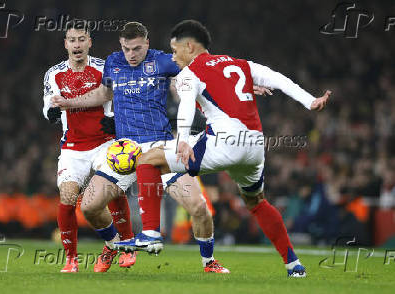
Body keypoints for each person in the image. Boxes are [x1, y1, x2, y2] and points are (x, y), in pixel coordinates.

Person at [51, 22, 275, 273]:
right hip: (126, 151)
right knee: (89, 206)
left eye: (137, 48)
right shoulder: (114, 62)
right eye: (126, 49)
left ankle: (208, 262)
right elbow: (103, 94)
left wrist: (229, 90)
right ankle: (115, 245)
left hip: (160, 148)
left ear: (147, 43)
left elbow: (199, 75)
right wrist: (69, 102)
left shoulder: (162, 61)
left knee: (199, 208)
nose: (131, 55)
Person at [123, 20, 332, 277]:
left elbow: (186, 105)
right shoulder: (241, 64)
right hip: (254, 146)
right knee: (256, 202)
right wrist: (310, 101)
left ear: (190, 46)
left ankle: (151, 234)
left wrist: (184, 140)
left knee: (147, 161)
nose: (174, 58)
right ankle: (294, 265)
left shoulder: (191, 72)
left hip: (223, 141)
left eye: (175, 51)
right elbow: (278, 79)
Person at [43, 22, 136, 273]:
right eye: (72, 40)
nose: (77, 45)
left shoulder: (104, 67)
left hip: (104, 143)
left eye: (81, 39)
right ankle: (73, 258)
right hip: (73, 147)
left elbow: (122, 95)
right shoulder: (54, 73)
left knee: (112, 191)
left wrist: (117, 117)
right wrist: (50, 112)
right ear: (65, 44)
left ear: (89, 42)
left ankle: (127, 246)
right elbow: (48, 104)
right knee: (68, 198)